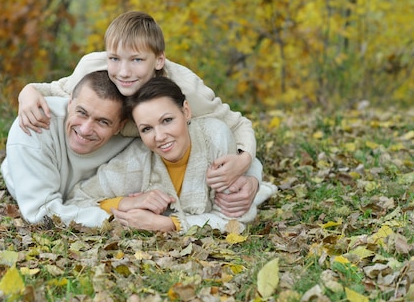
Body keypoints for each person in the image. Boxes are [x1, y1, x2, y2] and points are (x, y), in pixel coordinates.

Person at [17, 11, 260, 217]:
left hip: (149, 155)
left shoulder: (184, 89)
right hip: (103, 158)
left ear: (158, 60)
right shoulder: (93, 69)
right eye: (114, 58)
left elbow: (237, 126)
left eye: (136, 60)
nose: (123, 72)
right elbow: (56, 89)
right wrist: (27, 91)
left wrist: (243, 163)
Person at [66, 77, 277, 233]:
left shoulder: (215, 137)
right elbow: (77, 200)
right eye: (147, 129)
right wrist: (126, 203)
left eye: (167, 120)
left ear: (186, 111)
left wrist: (168, 225)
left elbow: (235, 222)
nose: (159, 137)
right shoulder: (137, 159)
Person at [1, 70, 135, 226]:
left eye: (102, 122)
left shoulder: (143, 135)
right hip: (30, 180)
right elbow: (40, 212)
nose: (85, 130)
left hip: (85, 198)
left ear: (121, 126)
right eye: (82, 113)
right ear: (69, 102)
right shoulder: (33, 126)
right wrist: (116, 220)